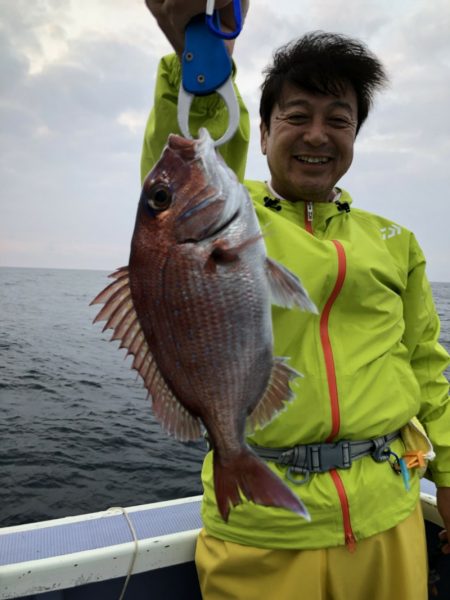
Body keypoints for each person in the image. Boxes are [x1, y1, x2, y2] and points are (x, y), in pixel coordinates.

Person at [142, 2, 450, 598]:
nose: (316, 134)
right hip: (262, 526)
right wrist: (200, 63)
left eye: (339, 119)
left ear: (355, 136)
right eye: (296, 115)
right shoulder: (232, 215)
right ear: (260, 132)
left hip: (389, 514)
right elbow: (181, 157)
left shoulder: (395, 242)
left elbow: (427, 366)